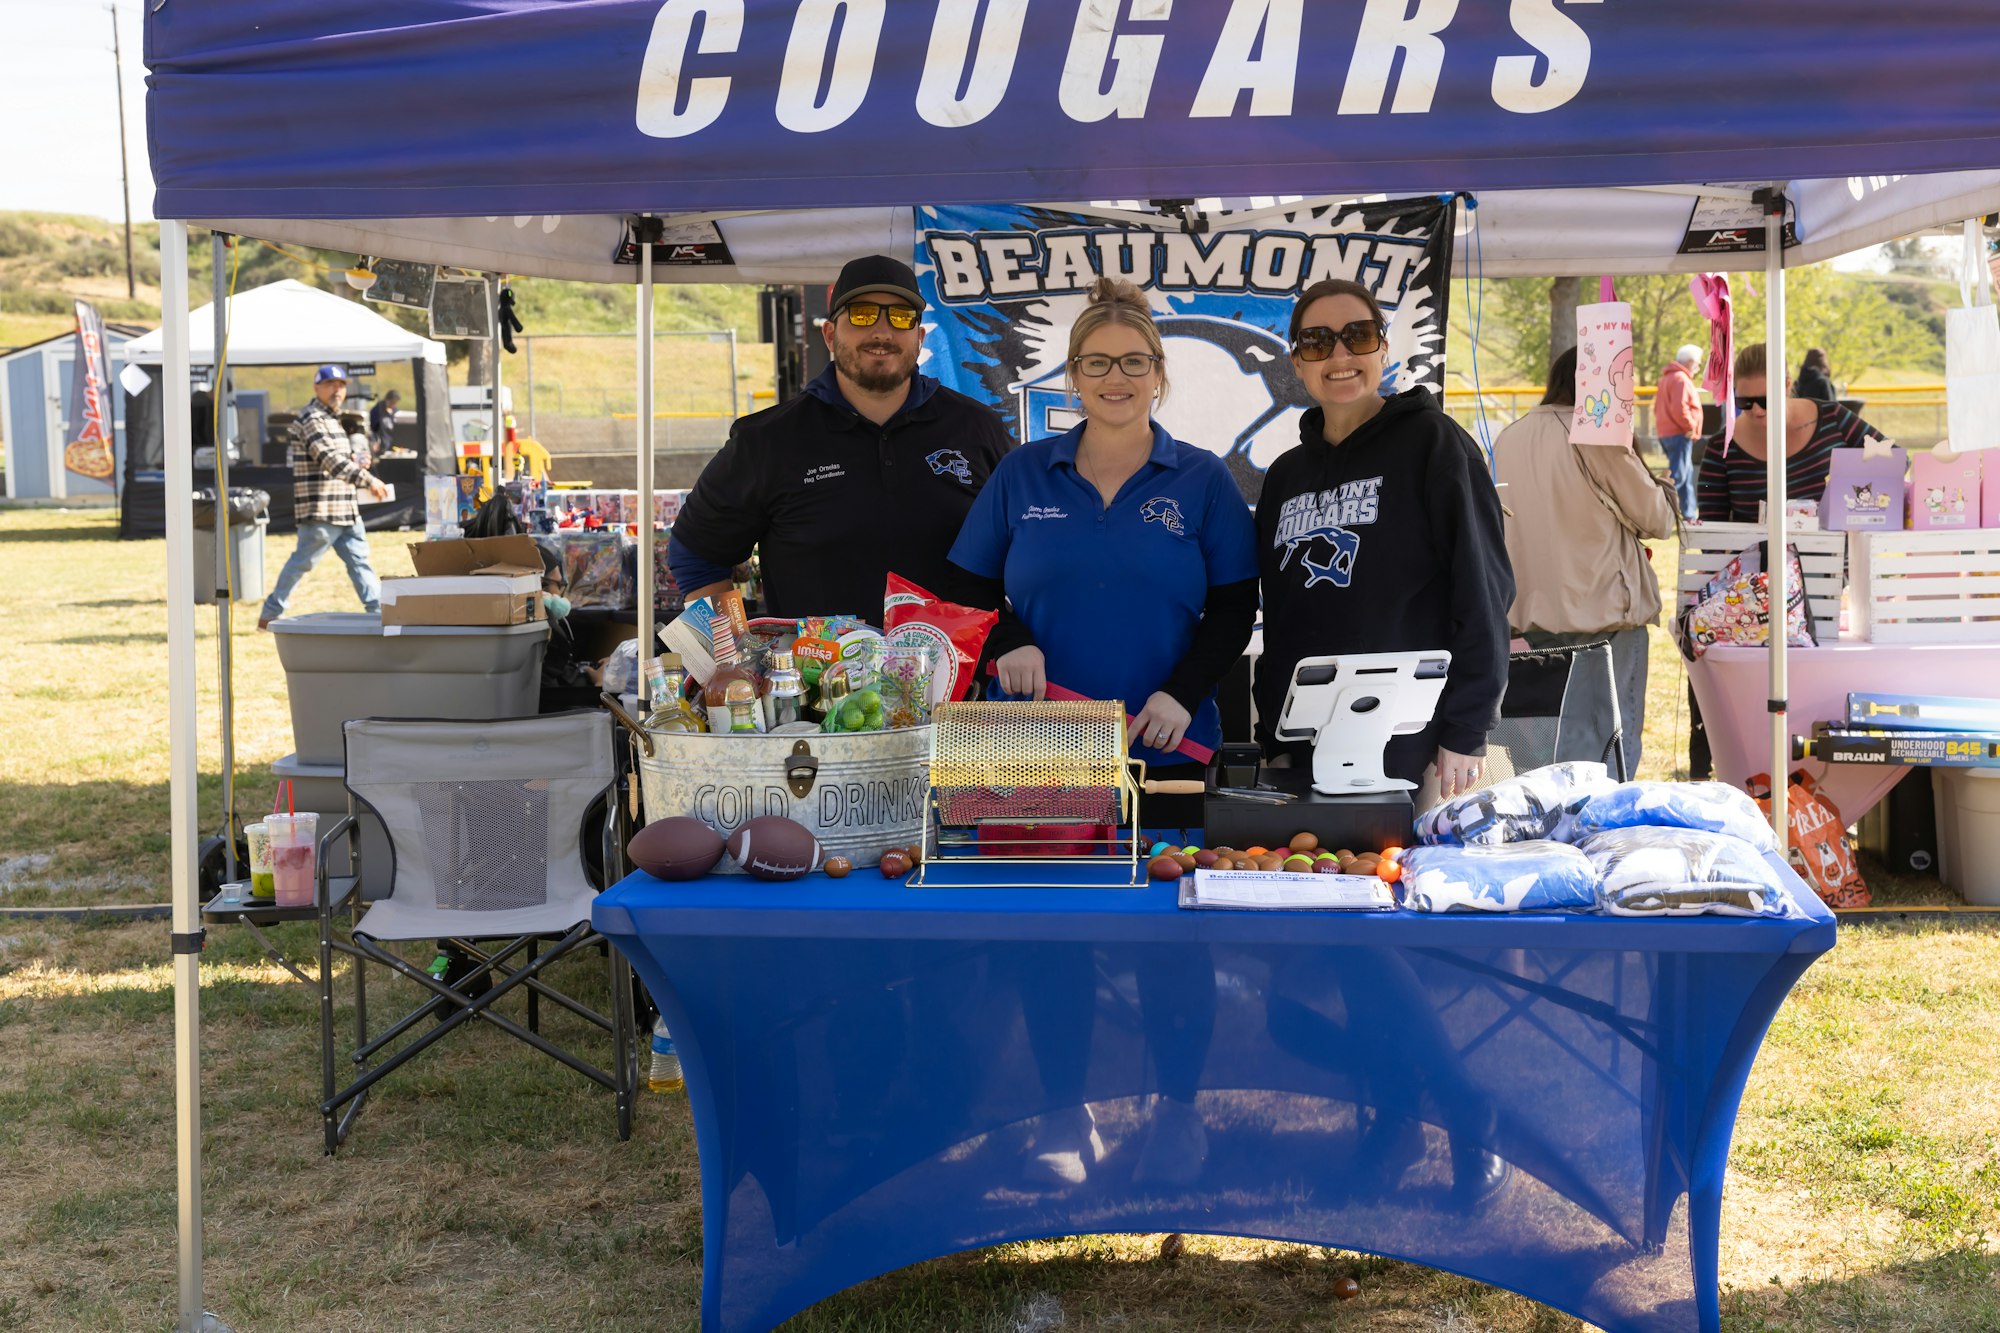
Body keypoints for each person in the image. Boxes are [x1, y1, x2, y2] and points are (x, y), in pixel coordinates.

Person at [948, 277, 1258, 1188]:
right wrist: (1012, 639)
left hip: (1166, 742)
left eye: (1132, 362)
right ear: (1071, 377)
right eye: (1095, 363)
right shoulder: (1022, 473)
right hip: (1036, 747)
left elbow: (1235, 606)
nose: (1114, 377)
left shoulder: (1200, 478)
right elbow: (969, 591)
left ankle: (1179, 1111)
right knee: (1052, 930)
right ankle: (1062, 1112)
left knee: (1171, 931)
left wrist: (1181, 690)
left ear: (1159, 375)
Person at [1256, 278, 1513, 802]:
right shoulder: (1286, 475)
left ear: (1384, 347)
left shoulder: (1435, 445)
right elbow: (1279, 617)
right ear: (1297, 361)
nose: (1340, 355)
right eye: (1317, 342)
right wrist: (1272, 737)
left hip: (1415, 742)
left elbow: (1484, 593)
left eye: (1359, 335)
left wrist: (1467, 730)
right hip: (1309, 741)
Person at [668, 255, 1012, 620]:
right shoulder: (767, 441)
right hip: (817, 676)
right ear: (830, 334)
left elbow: (1025, 554)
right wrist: (731, 658)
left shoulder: (978, 429)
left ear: (919, 336)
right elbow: (695, 556)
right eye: (863, 315)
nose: (882, 332)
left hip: (959, 676)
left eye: (900, 317)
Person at [1494, 347, 1679, 774]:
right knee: (1606, 755)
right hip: (1603, 620)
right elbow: (1657, 519)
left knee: (1542, 758)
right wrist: (1663, 486)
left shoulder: (1511, 435)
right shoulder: (1597, 435)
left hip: (1528, 619)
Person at [258, 365, 390, 629]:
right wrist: (368, 479)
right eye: (330, 384)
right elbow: (330, 461)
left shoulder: (333, 419)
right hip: (322, 509)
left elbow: (338, 460)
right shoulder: (312, 418)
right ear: (316, 387)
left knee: (360, 562)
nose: (337, 390)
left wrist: (356, 461)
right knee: (302, 563)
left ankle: (379, 614)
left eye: (341, 385)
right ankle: (270, 614)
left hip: (346, 507)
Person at [1697, 342, 1884, 523]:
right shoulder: (1721, 447)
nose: (1757, 410)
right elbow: (1710, 524)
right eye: (1744, 401)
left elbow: (1893, 460)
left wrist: (1850, 491)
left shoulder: (1832, 418)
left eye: (1765, 400)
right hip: (1756, 554)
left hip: (1834, 552)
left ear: (1786, 385)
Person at [1654, 344, 1705, 520]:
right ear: (1690, 362)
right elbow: (1679, 408)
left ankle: (1689, 514)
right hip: (1679, 434)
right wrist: (1690, 427)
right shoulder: (1680, 379)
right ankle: (1661, 512)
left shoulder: (1667, 378)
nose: (1698, 367)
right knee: (1678, 477)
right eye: (1698, 363)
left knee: (1685, 475)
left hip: (1668, 433)